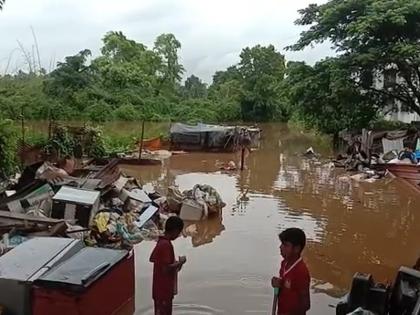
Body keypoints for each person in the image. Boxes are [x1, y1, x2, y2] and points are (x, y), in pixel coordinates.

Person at [150, 216, 186, 315]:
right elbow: (166, 269)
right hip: (163, 290)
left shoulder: (161, 242)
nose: (178, 235)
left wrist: (178, 264)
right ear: (175, 231)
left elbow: (165, 265)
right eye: (179, 232)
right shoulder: (166, 245)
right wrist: (180, 262)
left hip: (159, 289)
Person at [271, 228, 311, 315]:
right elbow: (286, 286)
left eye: (285, 245)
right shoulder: (284, 264)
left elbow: (306, 304)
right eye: (282, 244)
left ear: (296, 249)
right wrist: (278, 284)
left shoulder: (301, 272)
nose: (281, 247)